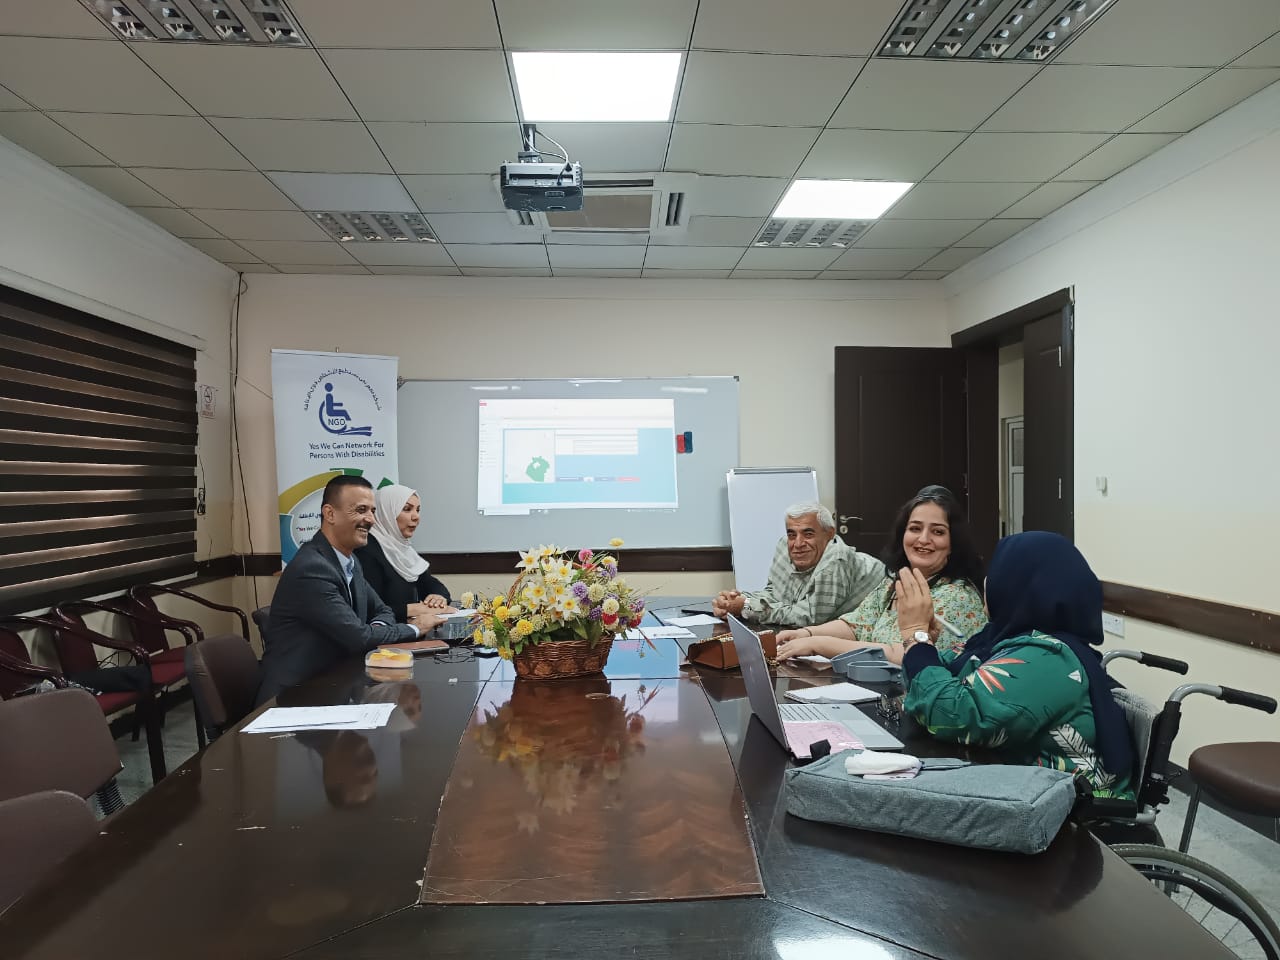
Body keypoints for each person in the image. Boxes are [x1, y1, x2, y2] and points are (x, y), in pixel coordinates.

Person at [901, 531, 1135, 799]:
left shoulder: (1049, 658)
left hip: (1066, 811)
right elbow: (938, 677)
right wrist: (924, 644)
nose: (987, 581)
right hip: (1018, 790)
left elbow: (954, 716)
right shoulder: (1001, 640)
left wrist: (915, 635)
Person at [257, 475, 442, 705]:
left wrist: (374, 629)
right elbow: (359, 638)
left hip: (334, 686)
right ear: (330, 514)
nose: (370, 519)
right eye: (361, 510)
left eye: (373, 511)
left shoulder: (350, 561)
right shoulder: (313, 568)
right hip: (294, 698)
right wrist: (415, 628)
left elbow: (382, 610)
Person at [775, 485, 986, 663]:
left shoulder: (959, 598)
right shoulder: (894, 581)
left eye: (937, 532)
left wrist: (817, 644)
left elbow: (901, 656)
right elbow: (856, 624)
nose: (923, 539)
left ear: (953, 543)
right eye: (915, 528)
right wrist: (805, 633)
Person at [711, 502, 884, 628]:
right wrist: (736, 601)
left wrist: (746, 607)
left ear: (829, 534)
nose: (798, 544)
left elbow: (809, 618)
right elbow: (775, 594)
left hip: (877, 627)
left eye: (808, 534)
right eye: (792, 534)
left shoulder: (835, 562)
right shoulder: (784, 546)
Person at [356, 484, 454, 624]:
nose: (416, 517)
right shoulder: (365, 551)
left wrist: (437, 598)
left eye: (418, 510)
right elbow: (369, 610)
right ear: (386, 512)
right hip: (384, 634)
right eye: (407, 509)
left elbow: (431, 583)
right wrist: (415, 609)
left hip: (409, 630)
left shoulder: (402, 548)